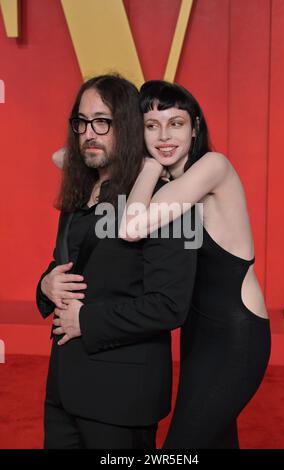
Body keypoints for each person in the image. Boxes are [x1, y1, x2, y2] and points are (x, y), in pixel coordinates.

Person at [36, 75, 198, 449]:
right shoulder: (80, 191)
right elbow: (67, 265)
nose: (88, 133)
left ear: (125, 126)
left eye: (102, 122)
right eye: (81, 122)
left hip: (121, 397)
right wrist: (45, 285)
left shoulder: (168, 200)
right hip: (62, 389)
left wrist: (86, 320)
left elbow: (170, 305)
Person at [118, 80, 271, 449]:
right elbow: (64, 157)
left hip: (237, 334)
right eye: (151, 125)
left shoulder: (213, 168)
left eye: (176, 123)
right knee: (216, 442)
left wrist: (149, 166)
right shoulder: (173, 181)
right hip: (196, 334)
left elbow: (130, 226)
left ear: (196, 127)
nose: (164, 135)